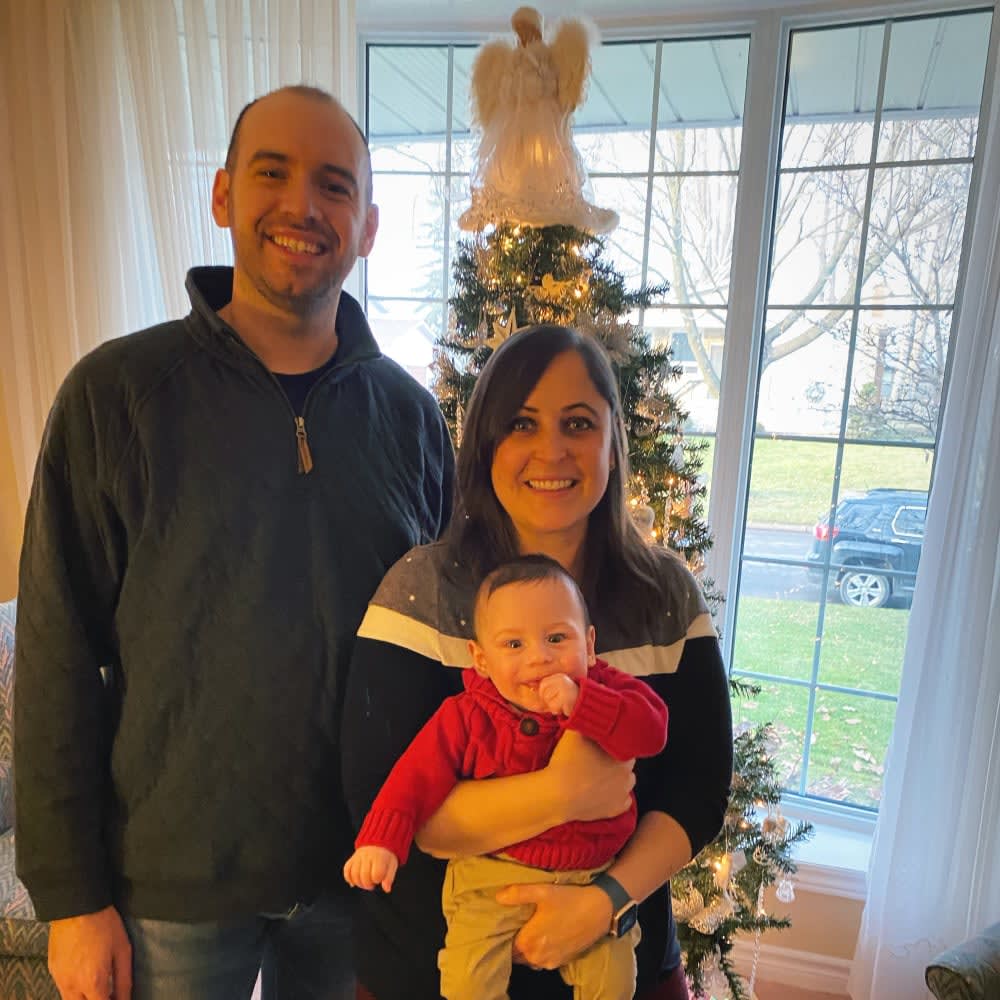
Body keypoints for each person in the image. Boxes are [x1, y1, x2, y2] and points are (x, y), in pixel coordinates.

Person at [14, 85, 453, 1000]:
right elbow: (57, 659)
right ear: (222, 197)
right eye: (272, 173)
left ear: (367, 226)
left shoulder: (412, 421)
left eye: (334, 186)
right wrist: (69, 898)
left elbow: (446, 659)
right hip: (169, 888)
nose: (302, 205)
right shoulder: (114, 397)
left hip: (363, 877)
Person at [342, 322, 733, 1000]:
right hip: (435, 969)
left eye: (578, 423)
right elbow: (390, 799)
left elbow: (698, 792)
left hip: (621, 953)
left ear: (614, 441)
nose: (551, 449)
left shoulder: (664, 597)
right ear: (486, 444)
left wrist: (603, 901)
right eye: (521, 424)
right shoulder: (422, 590)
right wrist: (565, 792)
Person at [345, 554, 668, 1000]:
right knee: (468, 981)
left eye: (557, 637)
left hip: (593, 875)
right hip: (489, 878)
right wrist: (381, 841)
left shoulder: (609, 691)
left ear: (590, 645)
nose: (539, 658)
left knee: (614, 983)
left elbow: (652, 731)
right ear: (480, 658)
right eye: (513, 645)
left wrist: (585, 703)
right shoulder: (466, 716)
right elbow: (414, 778)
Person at [457, 7, 618, 235]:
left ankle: (542, 201)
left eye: (524, 28)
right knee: (510, 163)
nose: (521, 34)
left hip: (542, 122)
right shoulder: (512, 60)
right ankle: (514, 198)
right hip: (513, 126)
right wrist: (514, 88)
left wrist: (532, 85)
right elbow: (504, 91)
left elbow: (554, 88)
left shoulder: (545, 56)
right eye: (518, 30)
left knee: (545, 164)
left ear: (534, 29)